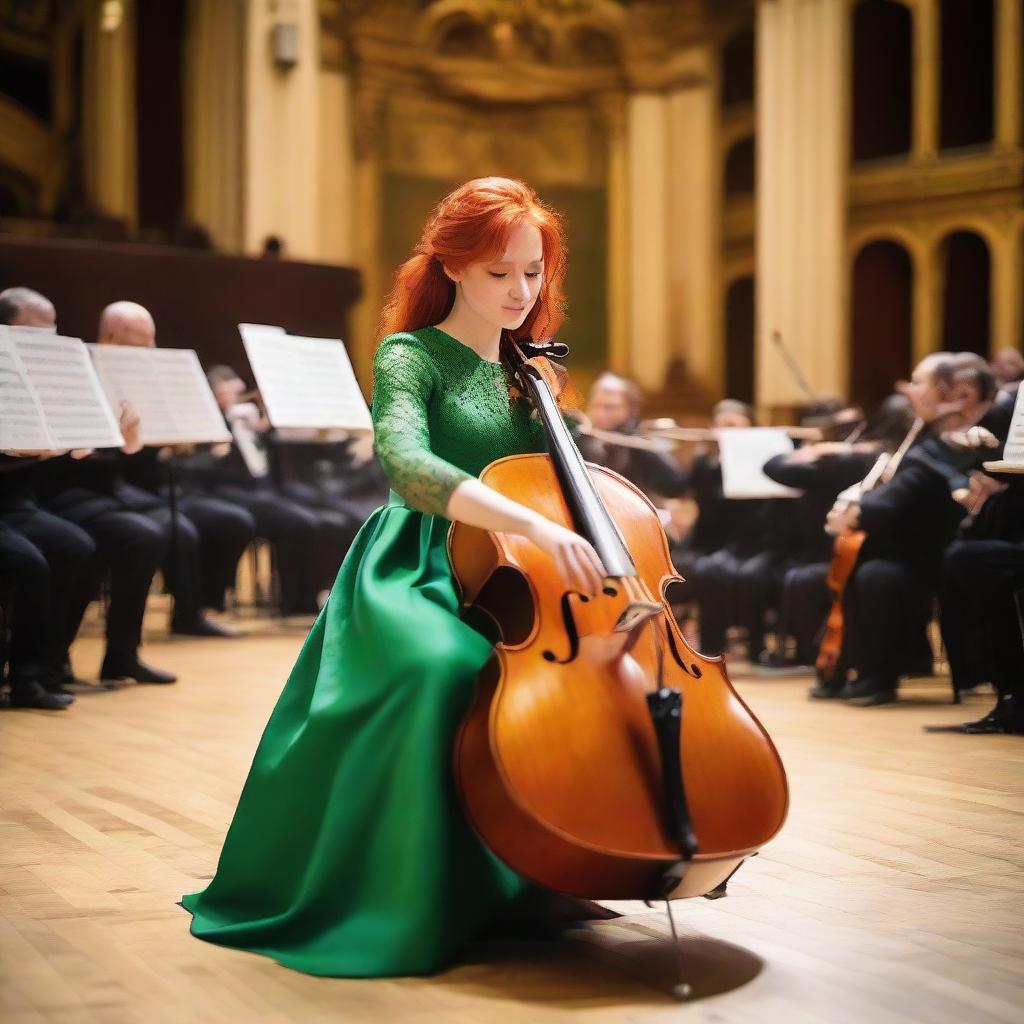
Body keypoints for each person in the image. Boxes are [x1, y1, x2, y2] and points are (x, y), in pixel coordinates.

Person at [181, 177, 610, 977]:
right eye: (499, 274)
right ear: (451, 267)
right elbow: (408, 466)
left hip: (522, 568)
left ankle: (536, 871)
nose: (521, 292)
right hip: (418, 561)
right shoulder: (409, 355)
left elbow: (570, 478)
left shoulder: (536, 373)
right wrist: (527, 521)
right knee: (443, 668)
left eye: (533, 271)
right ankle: (408, 894)